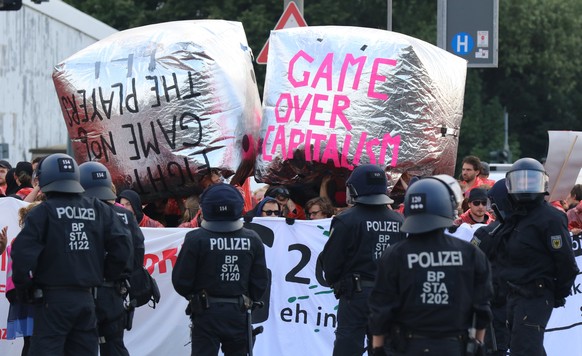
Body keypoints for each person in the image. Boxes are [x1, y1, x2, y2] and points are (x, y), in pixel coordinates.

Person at [10, 153, 132, 355]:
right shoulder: (99, 209)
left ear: (45, 179)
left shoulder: (42, 213)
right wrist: (105, 275)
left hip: (52, 301)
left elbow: (22, 255)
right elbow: (123, 245)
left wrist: (26, 290)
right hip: (87, 299)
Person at [369, 175, 493, 356]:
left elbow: (381, 309)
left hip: (407, 347)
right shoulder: (471, 254)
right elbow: (482, 309)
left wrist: (378, 348)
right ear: (447, 208)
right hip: (454, 347)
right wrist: (477, 345)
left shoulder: (395, 255)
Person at [172, 183, 269, 355]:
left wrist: (195, 297)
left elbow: (181, 281)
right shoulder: (253, 239)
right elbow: (260, 282)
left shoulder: (195, 239)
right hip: (239, 312)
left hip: (205, 313)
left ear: (205, 208)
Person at [320, 164, 406, 356]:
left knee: (348, 346)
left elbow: (332, 262)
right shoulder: (399, 221)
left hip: (356, 296)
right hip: (389, 296)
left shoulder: (346, 220)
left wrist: (338, 283)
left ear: (356, 188)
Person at [497, 158, 579, 356]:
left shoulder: (550, 218)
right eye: (520, 180)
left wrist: (558, 293)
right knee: (524, 345)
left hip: (535, 294)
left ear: (541, 183)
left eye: (530, 180)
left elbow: (566, 262)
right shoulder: (515, 218)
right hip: (514, 294)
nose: (525, 185)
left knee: (524, 349)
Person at [80, 161, 145, 356]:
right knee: (114, 345)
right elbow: (137, 250)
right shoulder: (125, 215)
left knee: (81, 345)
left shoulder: (77, 213)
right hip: (113, 292)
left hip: (83, 292)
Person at [470, 179, 514, 356]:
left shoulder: (487, 233)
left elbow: (470, 265)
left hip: (497, 305)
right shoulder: (535, 228)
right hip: (525, 303)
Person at [3, 203, 40, 356]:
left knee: (30, 340)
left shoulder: (19, 241)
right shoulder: (30, 242)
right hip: (32, 296)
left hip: (20, 297)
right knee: (36, 340)